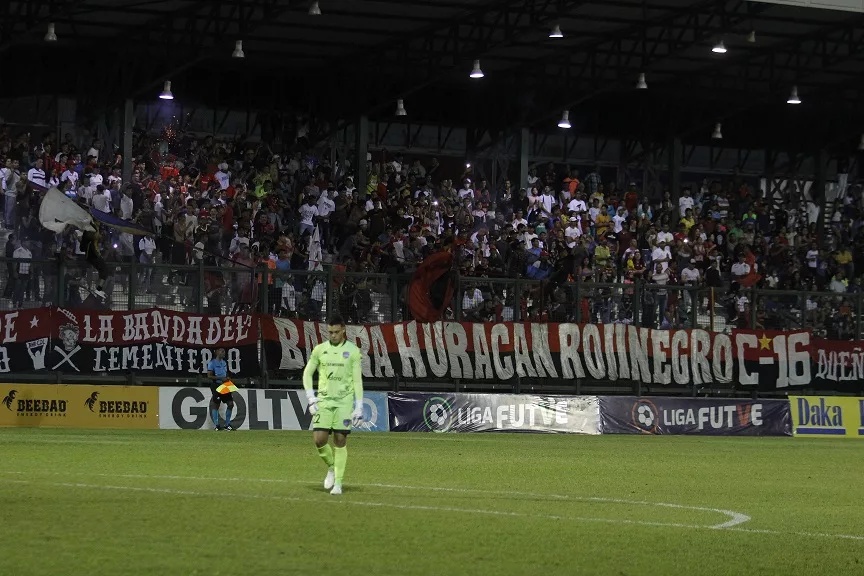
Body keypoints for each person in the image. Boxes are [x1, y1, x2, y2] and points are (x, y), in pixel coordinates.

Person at [302, 314, 364, 495]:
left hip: (344, 402)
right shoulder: (320, 350)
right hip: (324, 400)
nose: (333, 335)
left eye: (336, 332)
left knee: (340, 440)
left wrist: (358, 406)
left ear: (343, 330)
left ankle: (338, 483)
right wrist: (311, 398)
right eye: (330, 332)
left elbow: (357, 380)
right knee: (319, 440)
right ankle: (331, 466)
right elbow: (307, 374)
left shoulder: (353, 351)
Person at [207, 348, 236, 431]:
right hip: (216, 384)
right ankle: (216, 425)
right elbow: (209, 376)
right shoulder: (212, 363)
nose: (224, 353)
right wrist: (220, 378)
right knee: (216, 404)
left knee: (230, 404)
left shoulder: (224, 362)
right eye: (222, 351)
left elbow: (225, 373)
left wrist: (227, 378)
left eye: (224, 351)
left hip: (225, 384)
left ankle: (227, 425)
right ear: (217, 352)